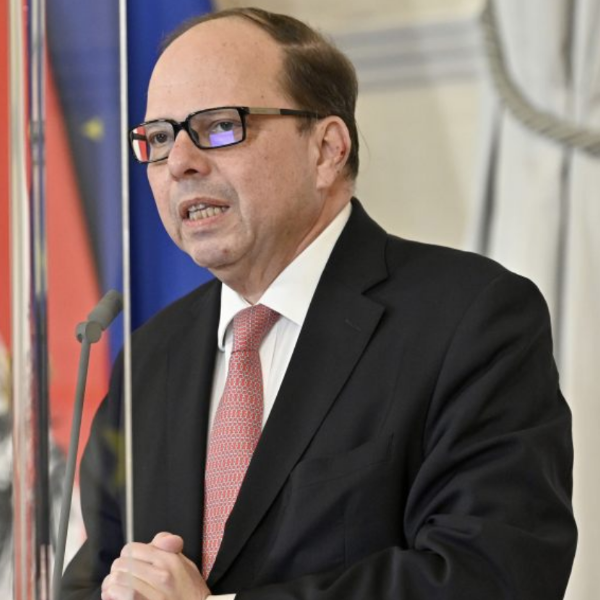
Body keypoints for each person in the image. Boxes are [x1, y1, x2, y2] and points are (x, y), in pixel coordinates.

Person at [62, 8, 577, 600]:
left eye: (220, 126)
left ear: (327, 149)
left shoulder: (470, 318)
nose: (180, 162)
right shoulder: (151, 357)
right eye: (157, 138)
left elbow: (494, 574)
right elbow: (89, 580)